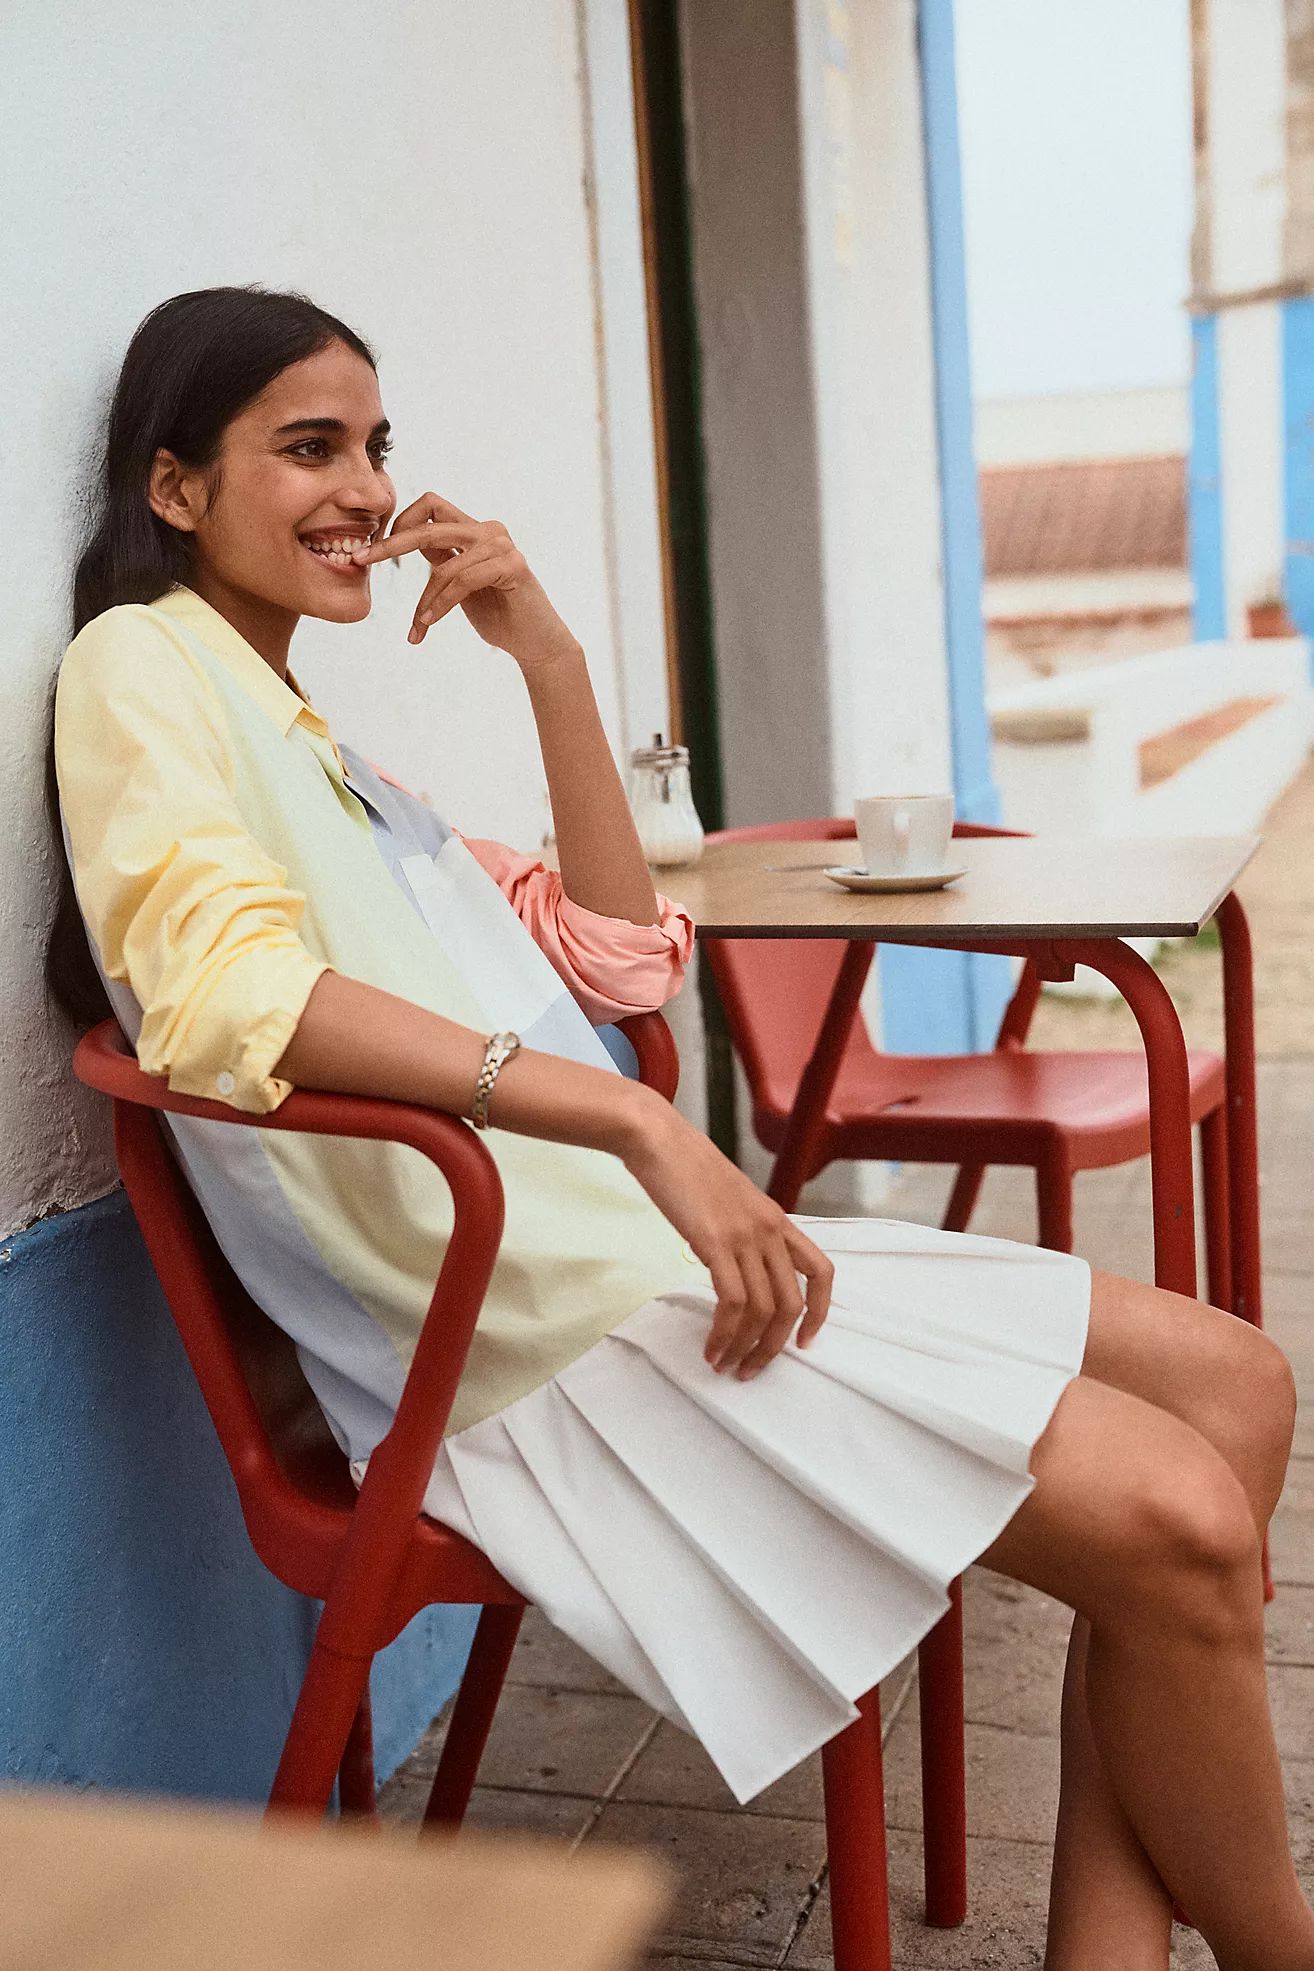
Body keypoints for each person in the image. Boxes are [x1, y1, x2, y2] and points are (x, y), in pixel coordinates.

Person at [47, 285, 1308, 1971]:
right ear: (174, 487)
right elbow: (227, 999)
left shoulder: (319, 749)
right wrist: (643, 1135)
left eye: (374, 446)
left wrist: (549, 657)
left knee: (1235, 1383)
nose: (359, 485)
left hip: (619, 1272)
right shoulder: (139, 671)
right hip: (530, 1346)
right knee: (1179, 1525)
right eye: (305, 448)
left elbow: (619, 954)